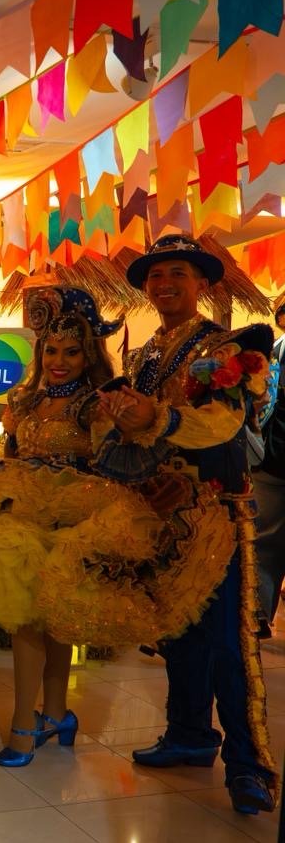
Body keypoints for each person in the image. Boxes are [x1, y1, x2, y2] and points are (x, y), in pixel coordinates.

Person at [0, 286, 228, 766]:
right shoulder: (25, 401)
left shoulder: (95, 404)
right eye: (51, 350)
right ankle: (54, 714)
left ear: (88, 354)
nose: (59, 361)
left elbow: (116, 460)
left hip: (76, 518)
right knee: (30, 616)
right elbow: (11, 455)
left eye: (71, 352)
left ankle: (29, 724)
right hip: (22, 517)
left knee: (51, 616)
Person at [96, 234, 276, 814]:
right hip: (159, 511)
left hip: (215, 512)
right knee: (177, 632)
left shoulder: (227, 348)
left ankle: (249, 766)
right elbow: (134, 431)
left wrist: (155, 415)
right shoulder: (144, 353)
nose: (164, 283)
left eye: (177, 272)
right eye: (155, 275)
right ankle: (190, 735)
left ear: (201, 283)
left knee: (227, 642)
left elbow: (222, 425)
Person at [250, 297, 285, 634]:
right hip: (271, 461)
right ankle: (257, 615)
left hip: (272, 460)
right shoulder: (270, 354)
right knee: (263, 543)